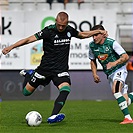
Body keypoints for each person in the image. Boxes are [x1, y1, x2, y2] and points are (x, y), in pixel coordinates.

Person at [2, 12, 106, 124]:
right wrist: (11, 47)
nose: (61, 27)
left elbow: (82, 35)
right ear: (56, 21)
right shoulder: (48, 31)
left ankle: (53, 116)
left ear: (67, 23)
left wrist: (98, 31)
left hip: (60, 70)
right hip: (45, 69)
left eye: (63, 25)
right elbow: (28, 40)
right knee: (26, 92)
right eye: (59, 25)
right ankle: (29, 75)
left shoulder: (69, 30)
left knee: (65, 89)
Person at [89, 24, 133, 124]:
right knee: (125, 101)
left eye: (96, 35)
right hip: (109, 74)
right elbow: (92, 60)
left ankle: (128, 118)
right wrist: (94, 74)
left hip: (119, 69)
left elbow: (125, 57)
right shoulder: (92, 46)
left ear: (102, 34)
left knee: (115, 90)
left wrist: (114, 63)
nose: (94, 37)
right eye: (93, 35)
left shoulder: (111, 43)